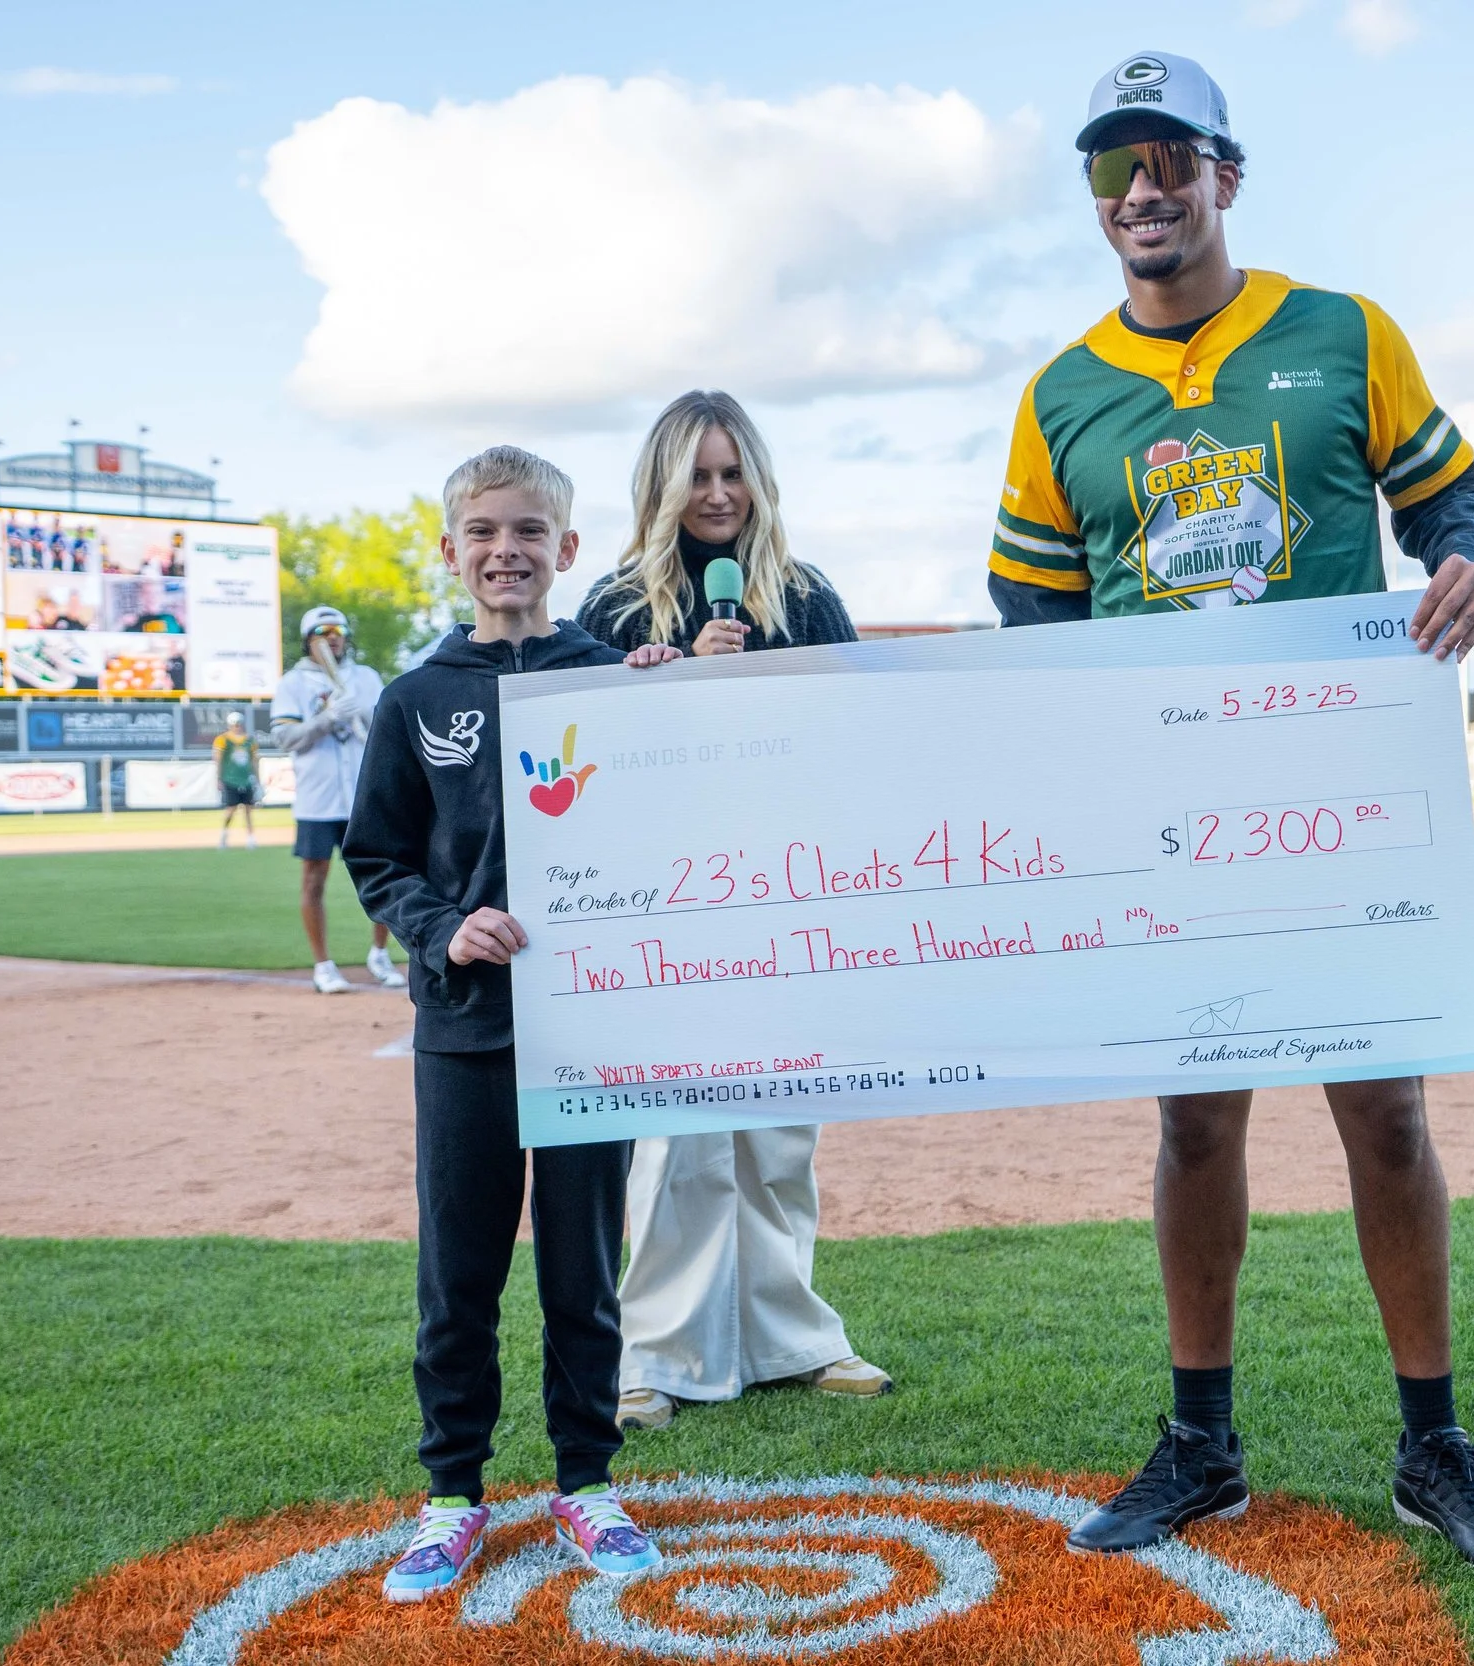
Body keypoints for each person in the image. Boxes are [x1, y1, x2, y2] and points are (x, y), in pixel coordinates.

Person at [985, 51, 1474, 1581]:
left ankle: (1432, 1439)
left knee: (1385, 1110)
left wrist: (1468, 563)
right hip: (1167, 817)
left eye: (1169, 158)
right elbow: (1032, 609)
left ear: (1228, 175)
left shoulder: (1343, 333)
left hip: (1338, 793)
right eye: (1113, 169)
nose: (1141, 190)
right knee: (1192, 1118)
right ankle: (1201, 1442)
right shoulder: (1062, 394)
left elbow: (1453, 502)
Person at [344, 444, 683, 1600]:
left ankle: (585, 1480)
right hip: (467, 1033)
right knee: (461, 1269)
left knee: (582, 1270)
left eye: (529, 532)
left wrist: (664, 699)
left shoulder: (610, 680)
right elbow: (376, 854)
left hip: (588, 1028)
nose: (506, 551)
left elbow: (680, 814)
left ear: (567, 550)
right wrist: (443, 928)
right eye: (483, 532)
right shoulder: (415, 696)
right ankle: (452, 1495)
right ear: (451, 550)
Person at [576, 391, 889, 1433]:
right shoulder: (616, 605)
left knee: (777, 1133)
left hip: (786, 896)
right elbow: (580, 764)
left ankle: (790, 1335)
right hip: (667, 907)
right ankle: (656, 1352)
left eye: (731, 471)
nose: (717, 494)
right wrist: (663, 695)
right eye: (696, 475)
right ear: (662, 485)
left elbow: (856, 738)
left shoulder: (804, 595)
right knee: (677, 1137)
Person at [270, 606, 406, 993]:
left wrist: (362, 712)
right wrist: (326, 718)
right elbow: (285, 737)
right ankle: (323, 965)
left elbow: (387, 728)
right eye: (323, 631)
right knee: (314, 880)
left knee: (386, 875)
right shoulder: (293, 683)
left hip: (366, 797)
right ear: (309, 639)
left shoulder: (365, 678)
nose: (333, 637)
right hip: (318, 800)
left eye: (339, 630)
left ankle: (379, 954)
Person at [213, 710, 260, 849]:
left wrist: (257, 779)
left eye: (239, 724)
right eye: (234, 724)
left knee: (248, 810)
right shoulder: (223, 740)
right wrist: (219, 778)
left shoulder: (250, 740)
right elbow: (218, 760)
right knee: (230, 809)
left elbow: (254, 761)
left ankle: (251, 838)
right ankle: (224, 835)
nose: (237, 726)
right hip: (230, 779)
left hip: (246, 779)